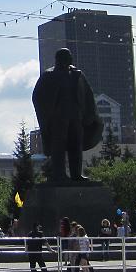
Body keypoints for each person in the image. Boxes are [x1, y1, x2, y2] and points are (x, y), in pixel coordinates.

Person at [31, 48, 103, 181]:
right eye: (68, 57)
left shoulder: (77, 75)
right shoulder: (48, 75)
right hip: (58, 119)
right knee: (58, 146)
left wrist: (90, 115)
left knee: (76, 145)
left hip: (76, 117)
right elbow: (37, 96)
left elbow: (88, 96)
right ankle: (59, 175)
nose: (71, 59)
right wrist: (48, 115)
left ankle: (76, 175)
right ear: (60, 59)